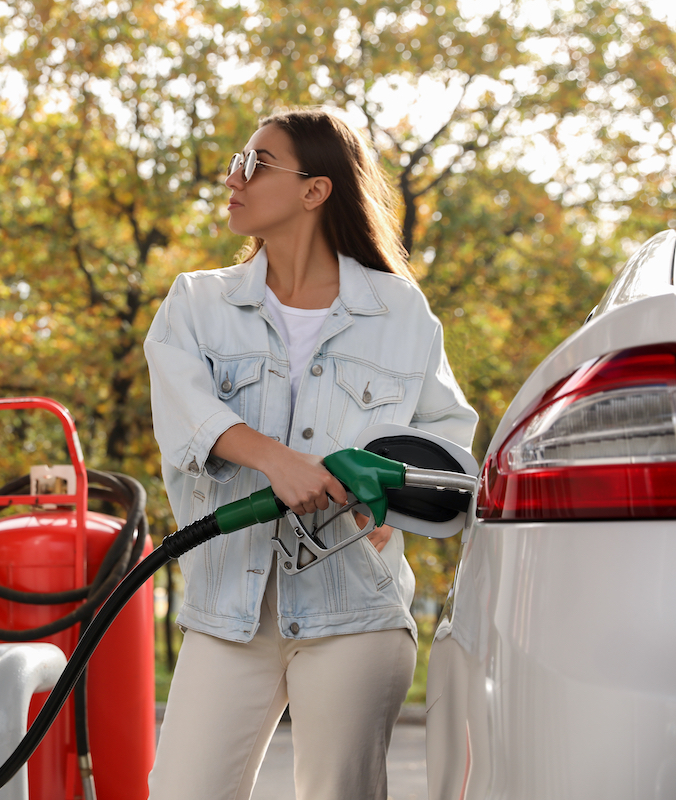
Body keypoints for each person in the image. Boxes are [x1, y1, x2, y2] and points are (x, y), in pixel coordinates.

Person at [144, 107, 478, 800]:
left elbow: (449, 452)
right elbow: (184, 410)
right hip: (228, 611)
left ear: (314, 190)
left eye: (256, 162)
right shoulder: (198, 304)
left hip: (354, 609)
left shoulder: (399, 313)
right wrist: (275, 459)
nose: (233, 177)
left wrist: (394, 498)